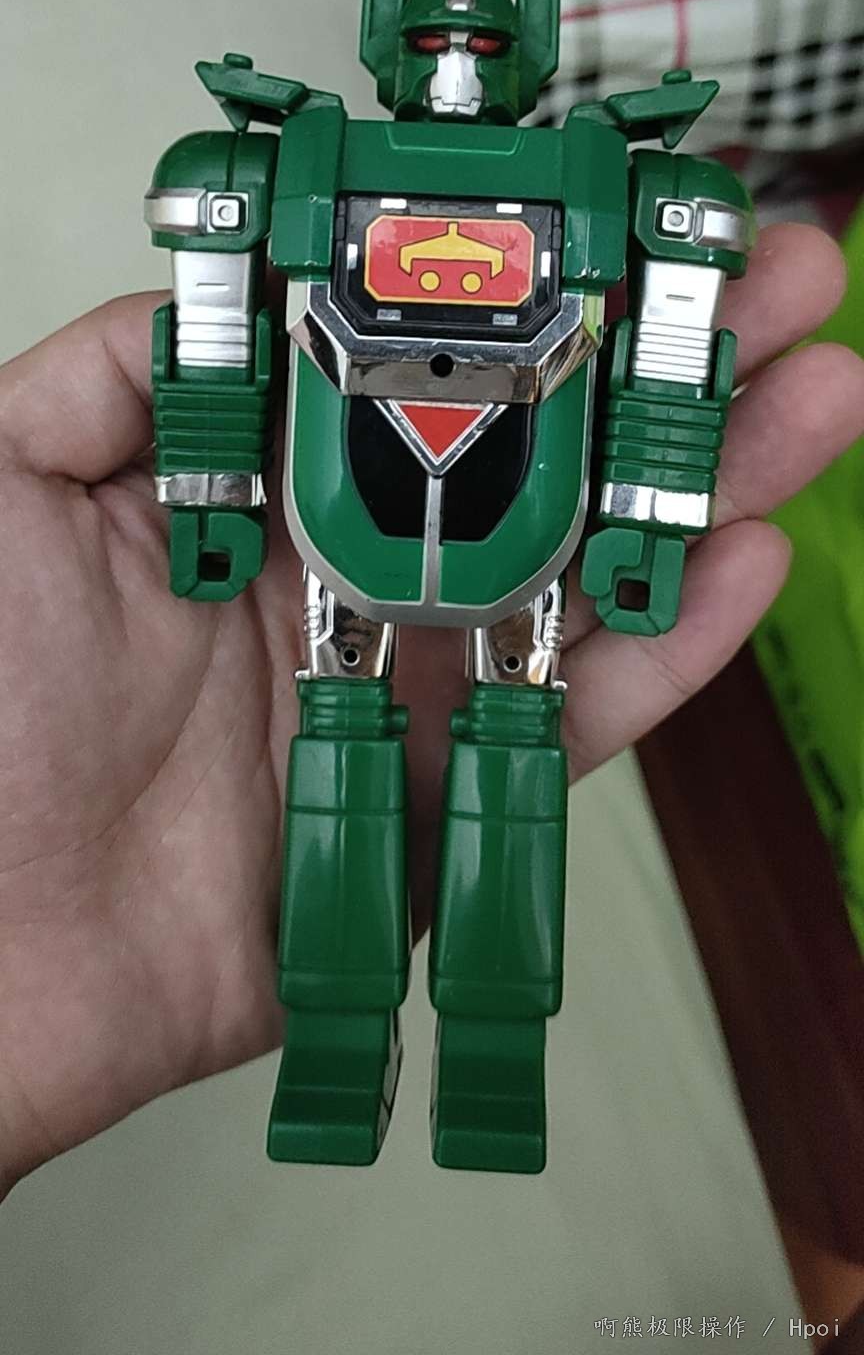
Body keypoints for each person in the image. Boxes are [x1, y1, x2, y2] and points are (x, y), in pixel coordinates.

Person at [0, 219, 862, 1201]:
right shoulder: (360, 181)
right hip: (367, 521)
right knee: (405, 729)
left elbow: (666, 350)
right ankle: (343, 1040)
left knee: (496, 735)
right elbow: (215, 319)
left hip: (497, 522)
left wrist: (648, 518)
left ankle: (490, 1052)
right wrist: (211, 491)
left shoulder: (573, 192)